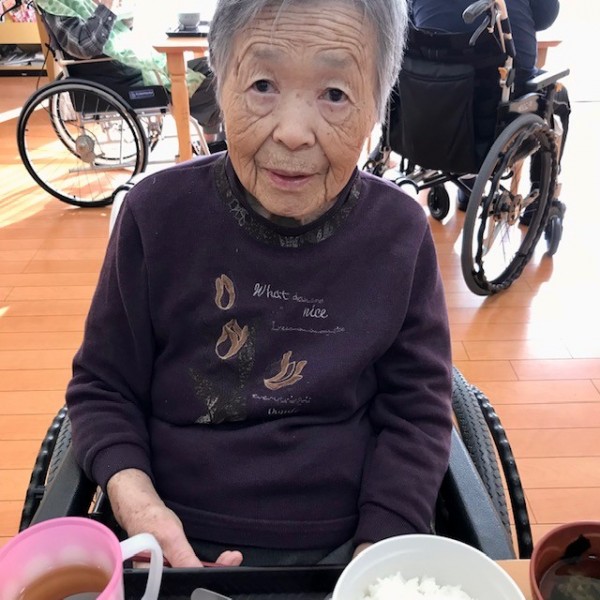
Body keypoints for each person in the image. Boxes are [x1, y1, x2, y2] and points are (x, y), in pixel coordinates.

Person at [65, 0, 453, 568]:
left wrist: (376, 557)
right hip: (166, 537)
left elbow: (417, 409)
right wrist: (142, 512)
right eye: (263, 85)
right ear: (219, 84)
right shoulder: (157, 215)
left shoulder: (399, 233)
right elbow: (104, 386)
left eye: (335, 93)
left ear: (378, 106)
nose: (293, 134)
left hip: (346, 546)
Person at [410, 0, 570, 214]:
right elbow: (545, 17)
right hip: (498, 102)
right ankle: (540, 201)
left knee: (466, 80)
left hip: (435, 99)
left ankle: (468, 188)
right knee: (556, 95)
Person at [37, 0, 222, 136]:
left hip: (132, 68)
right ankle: (213, 144)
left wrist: (118, 13)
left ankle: (212, 142)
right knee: (218, 86)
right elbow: (86, 46)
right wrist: (106, 7)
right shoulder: (55, 4)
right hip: (120, 79)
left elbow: (110, 37)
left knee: (216, 67)